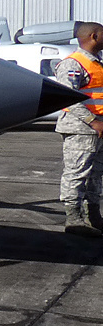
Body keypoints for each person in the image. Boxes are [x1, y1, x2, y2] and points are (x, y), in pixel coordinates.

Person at [53, 21, 103, 237]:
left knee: (96, 175)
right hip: (81, 129)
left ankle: (93, 216)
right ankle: (73, 219)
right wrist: (93, 121)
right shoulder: (73, 64)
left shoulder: (96, 63)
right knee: (76, 173)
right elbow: (68, 99)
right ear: (93, 36)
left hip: (97, 129)